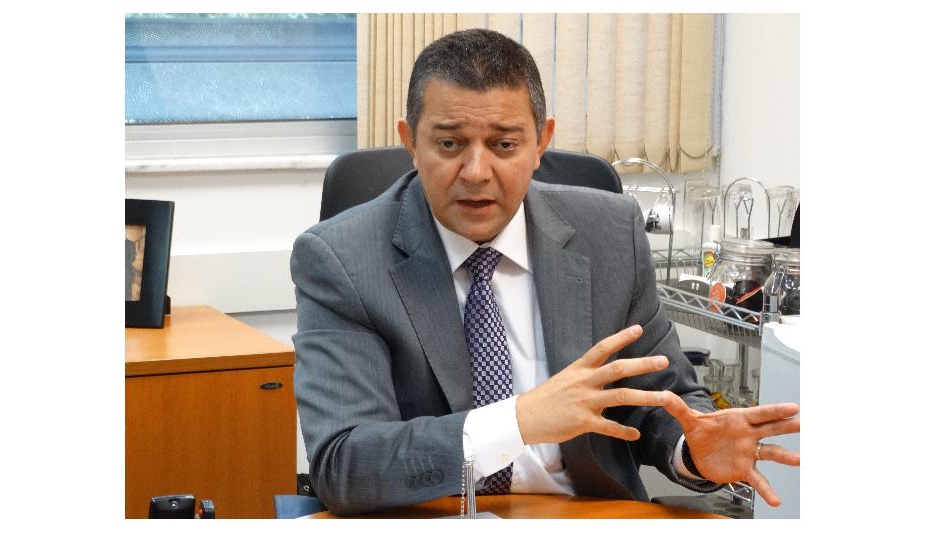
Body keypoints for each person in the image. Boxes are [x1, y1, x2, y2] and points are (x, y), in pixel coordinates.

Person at [291, 28, 799, 516]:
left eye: (504, 145)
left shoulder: (611, 233)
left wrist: (692, 450)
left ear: (541, 142)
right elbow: (344, 463)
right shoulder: (341, 258)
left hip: (587, 514)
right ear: (410, 141)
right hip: (433, 516)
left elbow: (661, 400)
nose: (476, 172)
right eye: (449, 145)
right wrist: (518, 421)